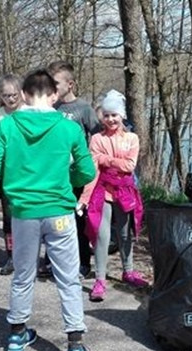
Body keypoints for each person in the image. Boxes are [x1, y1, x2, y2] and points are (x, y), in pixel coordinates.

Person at [0, 68, 95, 351]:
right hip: (59, 212)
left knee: (23, 274)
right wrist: (65, 176)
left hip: (23, 214)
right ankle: (74, 347)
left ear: (25, 95)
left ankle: (17, 336)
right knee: (68, 278)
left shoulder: (8, 126)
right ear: (54, 95)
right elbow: (87, 173)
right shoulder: (68, 128)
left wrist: (16, 178)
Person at [78, 91, 148, 302]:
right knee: (101, 234)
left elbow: (130, 165)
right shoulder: (97, 139)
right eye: (107, 115)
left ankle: (128, 271)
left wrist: (104, 159)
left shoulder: (132, 138)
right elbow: (94, 170)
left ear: (122, 116)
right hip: (103, 191)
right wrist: (84, 198)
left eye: (114, 115)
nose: (110, 120)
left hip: (125, 191)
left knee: (126, 233)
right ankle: (100, 279)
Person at [35, 60, 99, 280]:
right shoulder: (50, 109)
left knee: (77, 220)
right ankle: (51, 261)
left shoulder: (83, 109)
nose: (52, 88)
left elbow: (98, 136)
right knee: (50, 217)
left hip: (76, 176)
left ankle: (82, 262)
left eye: (56, 84)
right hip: (52, 175)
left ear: (70, 84)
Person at [0, 74, 23, 276]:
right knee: (9, 219)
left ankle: (30, 256)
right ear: (1, 96)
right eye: (7, 95)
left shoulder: (28, 113)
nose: (11, 99)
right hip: (7, 177)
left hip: (27, 175)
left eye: (14, 95)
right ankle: (11, 256)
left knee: (29, 217)